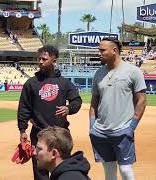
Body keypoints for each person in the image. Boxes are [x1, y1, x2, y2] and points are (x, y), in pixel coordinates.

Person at [17, 45, 82, 180]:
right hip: (39, 134)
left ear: (54, 60)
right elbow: (24, 107)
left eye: (44, 59)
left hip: (61, 134)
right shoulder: (31, 83)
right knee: (40, 171)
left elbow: (77, 100)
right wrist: (22, 129)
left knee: (63, 169)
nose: (41, 61)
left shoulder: (64, 83)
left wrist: (69, 109)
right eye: (39, 59)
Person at [89, 38, 147, 180]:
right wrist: (92, 126)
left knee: (125, 170)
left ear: (114, 51)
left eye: (102, 50)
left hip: (122, 129)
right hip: (100, 131)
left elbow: (142, 101)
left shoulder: (133, 71)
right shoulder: (98, 73)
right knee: (108, 170)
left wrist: (131, 126)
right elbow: (94, 101)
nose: (99, 53)